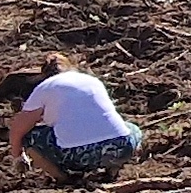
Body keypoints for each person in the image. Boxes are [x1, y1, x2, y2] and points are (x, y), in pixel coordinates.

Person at [10, 54, 145, 180]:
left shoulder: (45, 87)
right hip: (120, 147)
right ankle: (113, 169)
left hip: (75, 156)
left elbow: (18, 129)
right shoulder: (92, 81)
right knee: (132, 128)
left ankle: (63, 179)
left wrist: (18, 157)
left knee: (29, 137)